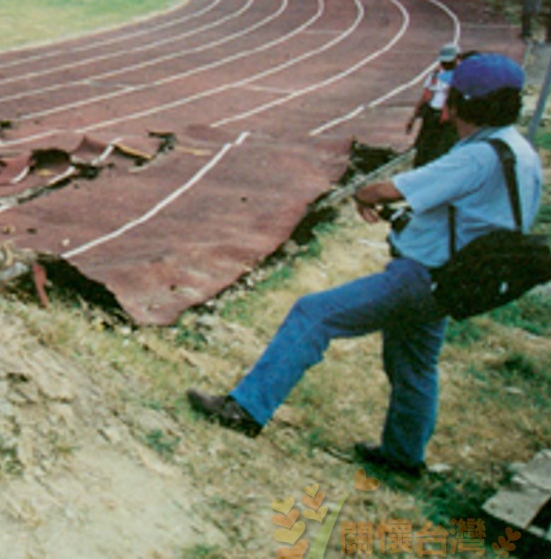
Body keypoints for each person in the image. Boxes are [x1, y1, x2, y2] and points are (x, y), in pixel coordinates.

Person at [187, 53, 542, 477]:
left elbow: (387, 190)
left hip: (421, 277)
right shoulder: (520, 151)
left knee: (314, 314)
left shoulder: (477, 157)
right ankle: (403, 456)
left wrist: (366, 193)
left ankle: (245, 409)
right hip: (452, 281)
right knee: (413, 366)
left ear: (461, 103)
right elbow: (470, 216)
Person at [405, 43, 459, 166]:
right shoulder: (436, 75)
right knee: (426, 151)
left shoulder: (458, 77)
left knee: (437, 152)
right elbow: (425, 96)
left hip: (444, 119)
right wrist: (413, 118)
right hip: (434, 117)